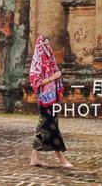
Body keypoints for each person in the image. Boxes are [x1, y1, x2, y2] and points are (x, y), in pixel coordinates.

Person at [29, 35, 73, 168]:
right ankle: (62, 160)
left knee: (44, 128)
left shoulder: (50, 61)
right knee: (51, 128)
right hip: (44, 100)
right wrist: (53, 77)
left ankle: (34, 158)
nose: (48, 47)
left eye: (49, 44)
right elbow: (35, 82)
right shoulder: (37, 63)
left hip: (52, 98)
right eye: (45, 45)